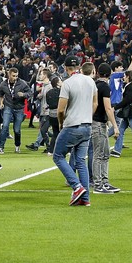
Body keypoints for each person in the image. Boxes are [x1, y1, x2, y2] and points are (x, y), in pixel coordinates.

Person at [54, 58, 98, 207]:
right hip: (87, 126)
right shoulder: (90, 81)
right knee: (80, 161)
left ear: (66, 68)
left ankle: (77, 186)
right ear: (79, 66)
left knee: (58, 156)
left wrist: (61, 122)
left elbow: (60, 109)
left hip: (72, 125)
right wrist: (87, 115)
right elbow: (95, 103)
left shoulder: (67, 83)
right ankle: (85, 198)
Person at [91, 63, 121, 194]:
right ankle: (99, 184)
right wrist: (115, 125)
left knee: (105, 154)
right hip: (98, 124)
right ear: (109, 74)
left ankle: (104, 182)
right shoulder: (104, 87)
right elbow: (108, 108)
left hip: (96, 122)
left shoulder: (94, 85)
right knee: (100, 154)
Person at [0, 67, 31, 153]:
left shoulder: (22, 83)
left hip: (19, 108)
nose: (15, 77)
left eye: (16, 76)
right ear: (9, 75)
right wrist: (1, 103)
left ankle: (17, 145)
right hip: (8, 106)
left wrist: (23, 94)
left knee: (17, 129)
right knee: (5, 126)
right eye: (13, 76)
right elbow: (1, 94)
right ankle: (1, 147)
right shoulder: (3, 84)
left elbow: (30, 93)